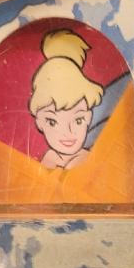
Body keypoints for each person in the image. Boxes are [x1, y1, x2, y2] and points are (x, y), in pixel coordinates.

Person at [29, 29, 104, 169]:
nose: (68, 132)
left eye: (78, 120)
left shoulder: (90, 160)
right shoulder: (48, 160)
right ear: (39, 122)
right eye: (52, 122)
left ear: (88, 118)